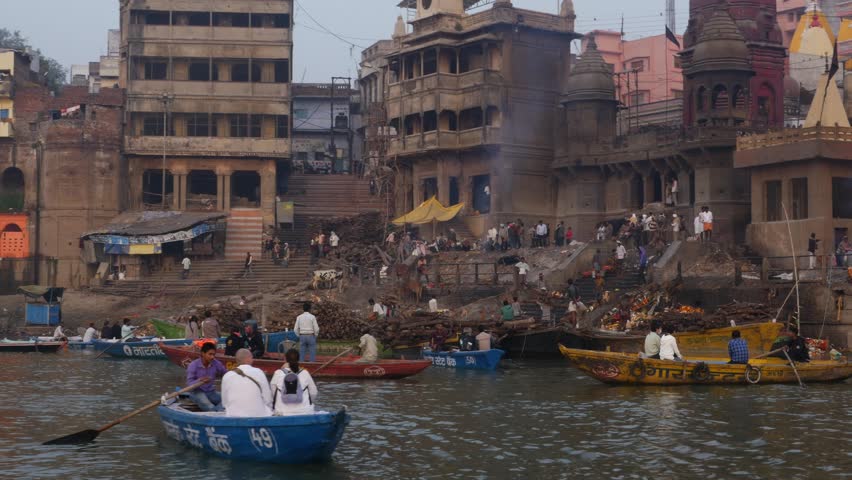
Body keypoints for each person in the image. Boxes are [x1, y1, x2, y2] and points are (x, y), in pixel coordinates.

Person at [222, 349, 273, 417]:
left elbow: (224, 403)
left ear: (237, 360)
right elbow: (268, 399)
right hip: (258, 415)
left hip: (233, 416)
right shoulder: (259, 372)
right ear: (249, 358)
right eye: (252, 357)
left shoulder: (227, 376)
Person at [271, 349, 319, 416]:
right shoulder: (305, 373)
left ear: (285, 359)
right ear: (298, 359)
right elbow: (313, 393)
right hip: (305, 412)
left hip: (282, 412)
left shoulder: (278, 373)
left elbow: (273, 394)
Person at [186, 342, 228, 412]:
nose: (212, 357)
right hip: (197, 392)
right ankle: (218, 412)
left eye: (214, 354)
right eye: (210, 354)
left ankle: (218, 411)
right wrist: (200, 380)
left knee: (229, 400)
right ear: (203, 353)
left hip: (211, 392)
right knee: (209, 406)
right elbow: (189, 384)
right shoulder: (193, 365)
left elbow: (225, 372)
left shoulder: (215, 363)